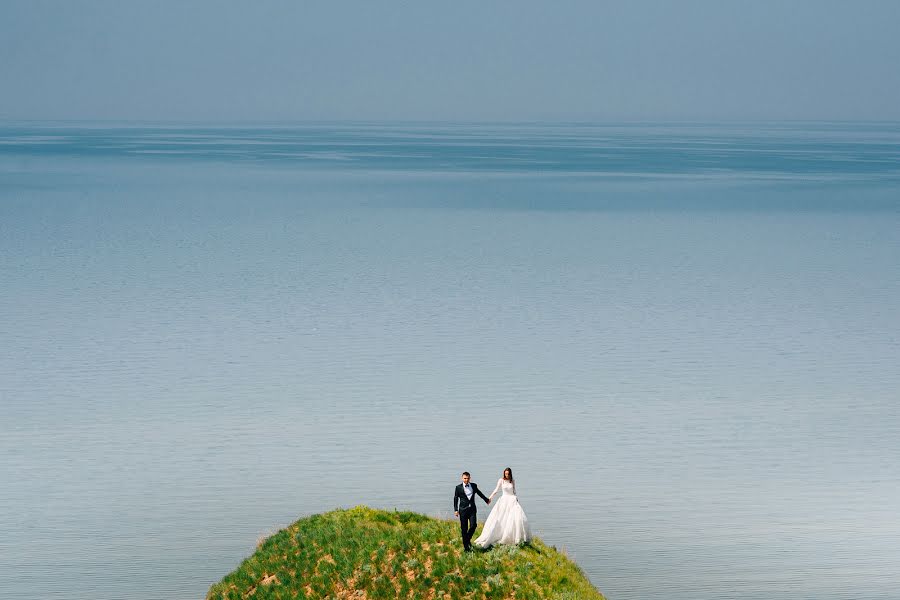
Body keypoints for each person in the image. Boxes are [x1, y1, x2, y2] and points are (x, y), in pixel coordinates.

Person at [473, 467, 531, 548]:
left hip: (512, 500)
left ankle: (512, 537)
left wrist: (516, 498)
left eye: (508, 473)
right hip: (504, 500)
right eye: (505, 473)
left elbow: (514, 491)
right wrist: (489, 498)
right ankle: (498, 535)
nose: (506, 475)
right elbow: (496, 490)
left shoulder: (512, 481)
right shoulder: (501, 480)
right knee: (501, 518)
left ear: (510, 474)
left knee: (513, 518)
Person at [453, 471, 490, 551]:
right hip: (463, 510)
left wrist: (486, 500)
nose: (466, 480)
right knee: (464, 528)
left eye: (468, 478)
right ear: (462, 478)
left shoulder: (473, 485)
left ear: (470, 478)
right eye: (465, 478)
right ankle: (466, 548)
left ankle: (466, 540)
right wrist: (456, 510)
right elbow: (456, 498)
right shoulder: (458, 487)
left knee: (473, 525)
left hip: (472, 509)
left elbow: (479, 493)